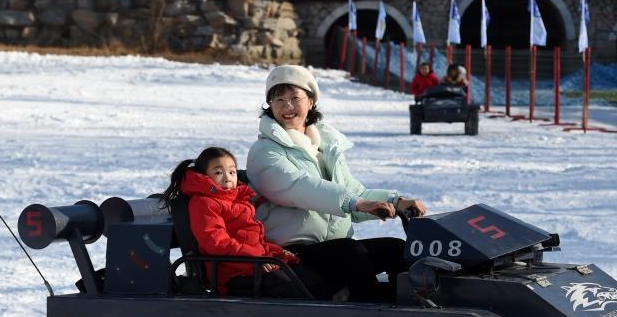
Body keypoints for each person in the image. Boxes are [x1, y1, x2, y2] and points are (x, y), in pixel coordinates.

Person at [246, 65, 427, 302]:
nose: (287, 106)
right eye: (278, 99)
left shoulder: (323, 147)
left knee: (395, 249)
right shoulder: (264, 152)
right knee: (350, 252)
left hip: (331, 247)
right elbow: (300, 187)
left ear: (310, 101)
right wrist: (356, 203)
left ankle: (414, 308)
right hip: (290, 250)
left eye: (294, 98)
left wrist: (395, 201)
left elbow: (355, 191)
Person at [161, 146, 330, 298]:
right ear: (204, 176)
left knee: (314, 280)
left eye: (232, 172)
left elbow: (254, 240)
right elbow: (217, 243)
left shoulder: (238, 200)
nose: (227, 179)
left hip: (254, 265)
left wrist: (277, 252)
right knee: (302, 288)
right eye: (218, 172)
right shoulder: (204, 203)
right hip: (232, 273)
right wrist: (255, 259)